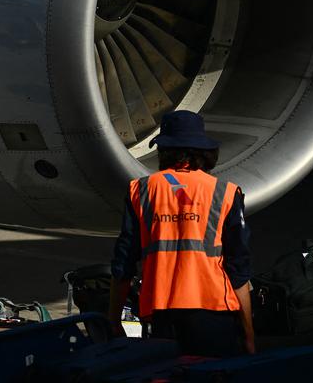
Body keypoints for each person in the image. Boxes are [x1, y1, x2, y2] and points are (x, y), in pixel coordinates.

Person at [107, 110, 254, 357]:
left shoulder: (141, 190)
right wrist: (249, 334)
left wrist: (113, 320)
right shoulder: (224, 193)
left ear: (164, 149)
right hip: (214, 311)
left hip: (161, 313)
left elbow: (123, 263)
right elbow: (238, 269)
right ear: (205, 151)